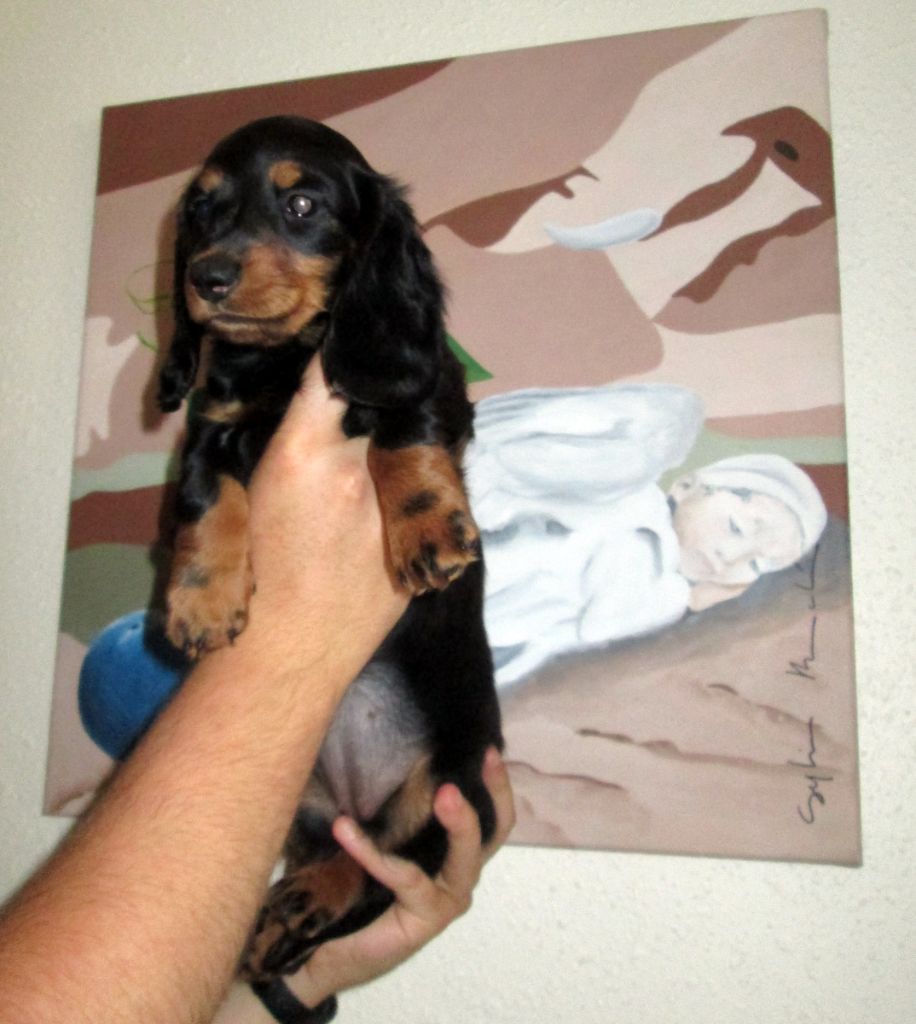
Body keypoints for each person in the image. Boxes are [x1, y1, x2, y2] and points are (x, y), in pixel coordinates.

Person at [0, 359, 515, 1024]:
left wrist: (298, 985)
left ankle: (346, 876)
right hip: (315, 759)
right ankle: (341, 872)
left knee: (447, 804)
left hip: (416, 743)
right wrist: (279, 642)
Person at [466, 385, 827, 686]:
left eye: (756, 565)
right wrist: (687, 600)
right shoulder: (638, 524)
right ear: (687, 486)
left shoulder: (660, 574)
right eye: (736, 528)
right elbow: (605, 622)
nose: (730, 558)